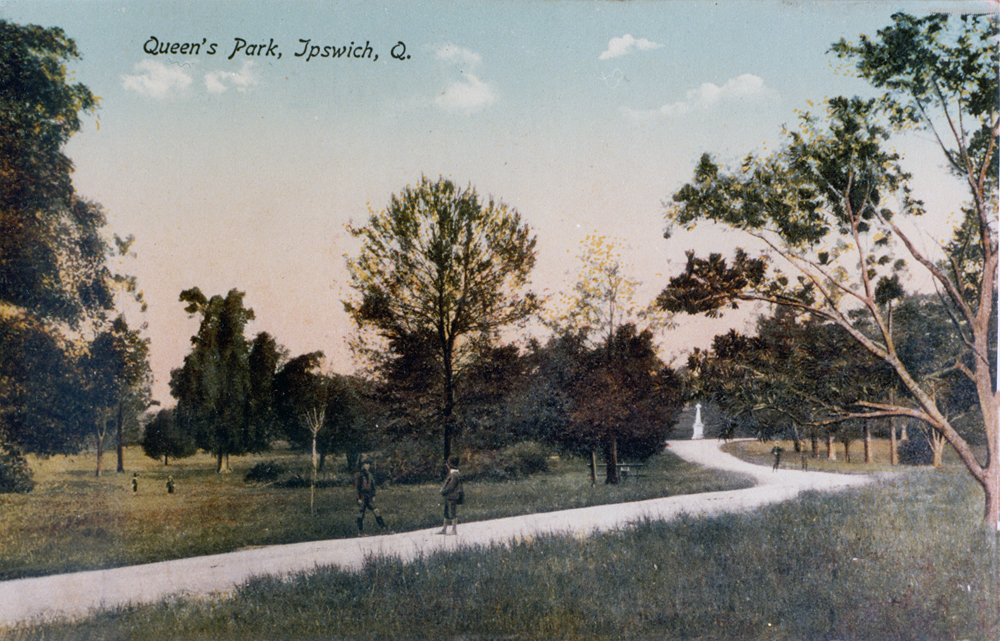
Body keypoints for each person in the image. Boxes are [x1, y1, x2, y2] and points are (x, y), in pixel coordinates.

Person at [355, 458, 386, 534]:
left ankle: (384, 528)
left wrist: (374, 495)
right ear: (362, 465)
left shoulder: (370, 475)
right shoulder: (359, 475)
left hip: (369, 496)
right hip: (362, 496)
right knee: (361, 513)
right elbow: (356, 487)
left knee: (376, 511)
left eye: (369, 464)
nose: (368, 466)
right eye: (366, 464)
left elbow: (373, 486)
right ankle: (360, 531)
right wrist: (358, 498)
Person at [439, 456, 463, 535]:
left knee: (452, 511)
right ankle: (444, 528)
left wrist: (443, 491)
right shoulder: (454, 473)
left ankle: (453, 530)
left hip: (452, 496)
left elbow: (451, 486)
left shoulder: (454, 475)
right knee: (446, 511)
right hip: (450, 496)